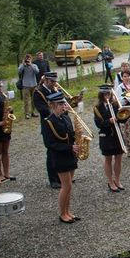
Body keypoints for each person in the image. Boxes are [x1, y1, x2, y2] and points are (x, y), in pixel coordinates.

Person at [41, 92, 80, 224]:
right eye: (60, 104)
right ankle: (62, 213)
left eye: (63, 103)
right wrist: (69, 147)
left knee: (69, 186)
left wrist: (78, 138)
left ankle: (68, 211)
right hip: (59, 156)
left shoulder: (65, 118)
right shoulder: (48, 122)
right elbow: (50, 144)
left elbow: (71, 134)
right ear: (52, 106)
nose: (63, 106)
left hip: (70, 155)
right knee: (66, 185)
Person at [94, 85, 129, 192]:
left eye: (109, 94)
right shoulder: (97, 108)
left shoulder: (115, 104)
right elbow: (98, 124)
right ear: (101, 95)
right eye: (105, 94)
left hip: (117, 136)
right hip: (106, 136)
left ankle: (117, 180)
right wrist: (109, 121)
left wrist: (125, 115)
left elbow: (122, 120)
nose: (107, 96)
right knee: (108, 159)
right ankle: (110, 182)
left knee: (118, 159)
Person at [33, 72, 61, 188]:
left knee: (61, 151)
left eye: (55, 81)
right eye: (52, 81)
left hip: (59, 123)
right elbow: (42, 109)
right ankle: (53, 179)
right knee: (51, 152)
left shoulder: (55, 90)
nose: (55, 83)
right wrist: (55, 110)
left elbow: (62, 103)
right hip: (48, 124)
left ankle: (62, 176)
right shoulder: (38, 92)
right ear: (46, 81)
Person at [18, 54, 39, 119]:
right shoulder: (22, 66)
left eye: (29, 59)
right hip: (25, 85)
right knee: (26, 100)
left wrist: (31, 65)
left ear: (31, 59)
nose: (28, 60)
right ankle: (27, 113)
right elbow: (19, 71)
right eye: (26, 59)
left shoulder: (34, 65)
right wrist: (23, 64)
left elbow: (37, 71)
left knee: (34, 100)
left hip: (34, 85)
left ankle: (33, 112)